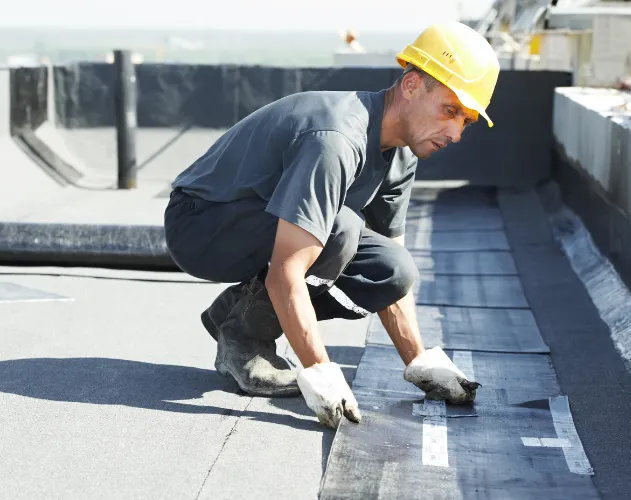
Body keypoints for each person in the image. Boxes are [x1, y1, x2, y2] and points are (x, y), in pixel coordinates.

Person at [164, 22, 500, 429]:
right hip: (203, 223)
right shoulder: (337, 139)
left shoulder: (402, 153)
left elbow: (388, 262)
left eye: (466, 120)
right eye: (450, 111)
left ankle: (237, 313)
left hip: (262, 228)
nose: (456, 133)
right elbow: (288, 270)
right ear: (411, 86)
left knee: (393, 270)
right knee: (340, 229)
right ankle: (243, 342)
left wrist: (419, 360)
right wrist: (320, 370)